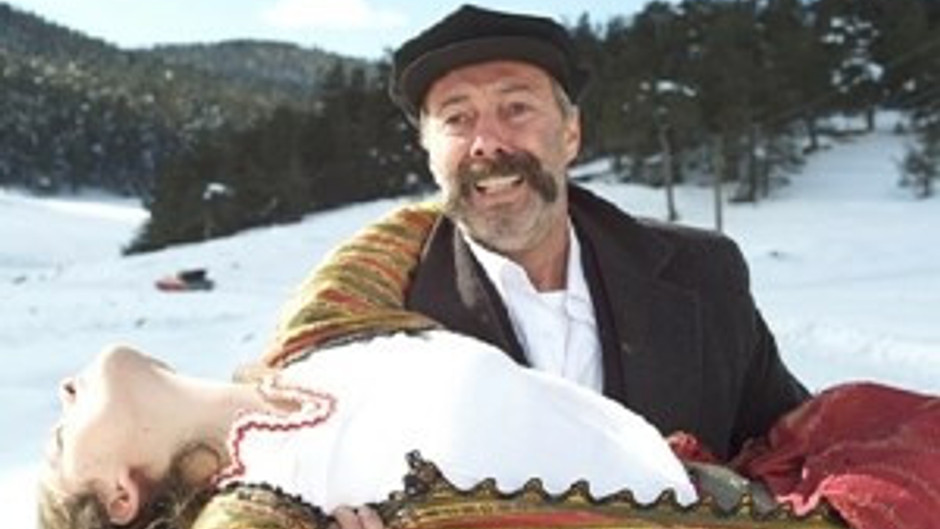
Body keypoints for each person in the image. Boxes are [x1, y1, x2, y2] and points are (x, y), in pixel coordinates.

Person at [266, 4, 808, 461]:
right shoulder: (374, 319)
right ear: (429, 152)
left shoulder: (703, 274)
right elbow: (291, 473)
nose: (487, 141)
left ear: (571, 132)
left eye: (516, 107)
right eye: (457, 118)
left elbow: (795, 449)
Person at [38, 330, 698, 529]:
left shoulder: (309, 352)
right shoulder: (266, 513)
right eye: (62, 437)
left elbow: (411, 226)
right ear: (121, 496)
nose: (65, 391)